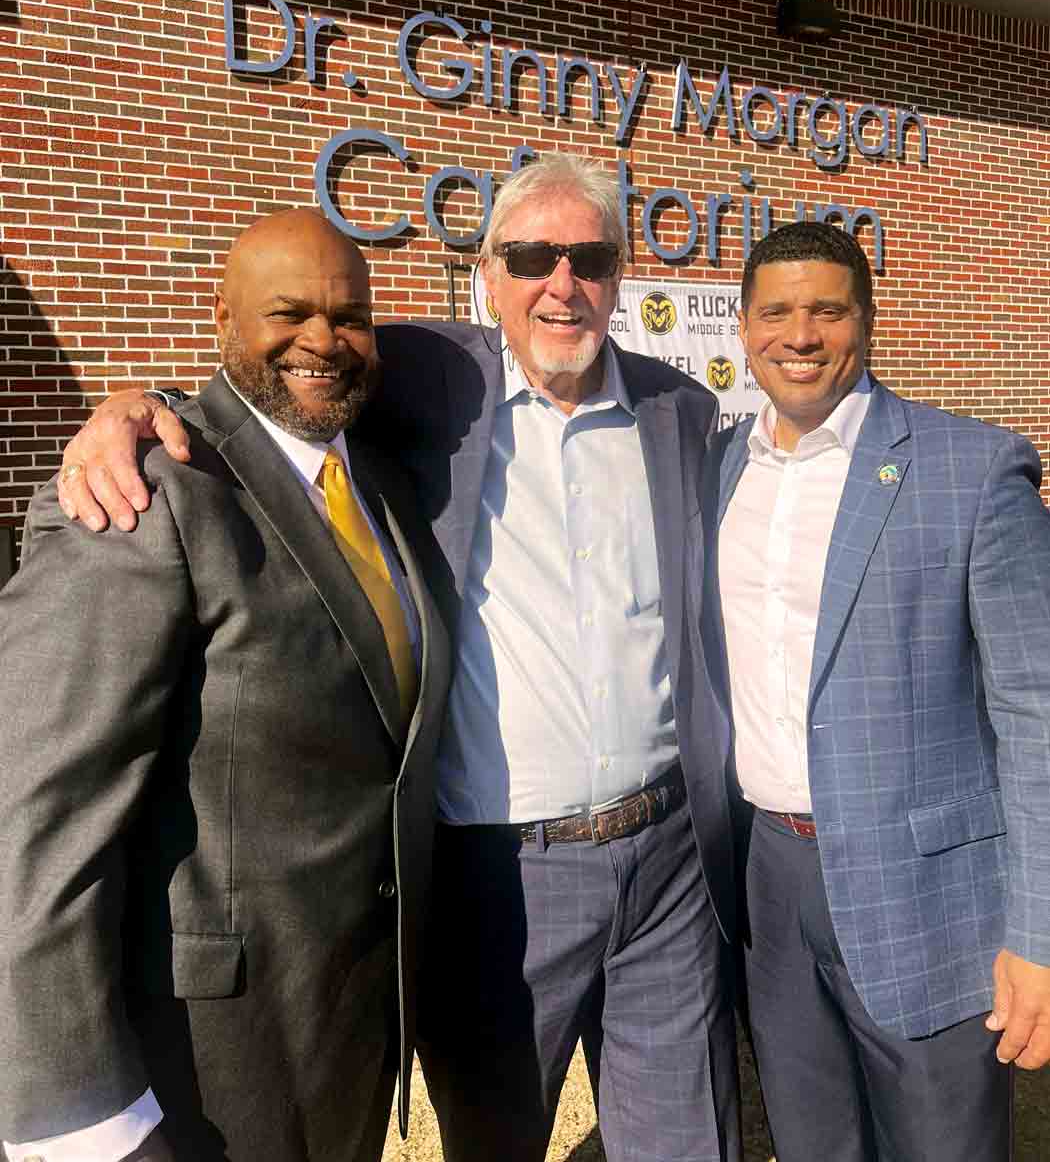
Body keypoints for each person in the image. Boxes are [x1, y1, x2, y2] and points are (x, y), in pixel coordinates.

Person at [52, 154, 741, 1162]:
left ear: (620, 274)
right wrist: (133, 405)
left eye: (589, 256)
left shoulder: (678, 409)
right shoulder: (432, 376)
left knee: (689, 1140)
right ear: (488, 279)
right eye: (531, 256)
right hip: (504, 873)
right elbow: (282, 365)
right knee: (496, 1138)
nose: (562, 282)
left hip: (669, 854)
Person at [0, 210, 451, 1162]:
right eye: (287, 313)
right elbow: (30, 805)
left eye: (351, 316)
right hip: (204, 1060)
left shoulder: (385, 488)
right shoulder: (142, 493)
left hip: (348, 1031)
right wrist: (79, 1116)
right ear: (221, 322)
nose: (323, 341)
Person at [703, 220, 1050, 1161]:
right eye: (776, 311)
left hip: (929, 895)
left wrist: (1039, 933)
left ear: (867, 320)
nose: (800, 334)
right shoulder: (723, 467)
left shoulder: (973, 471)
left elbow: (1036, 711)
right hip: (770, 881)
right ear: (744, 327)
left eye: (827, 310)